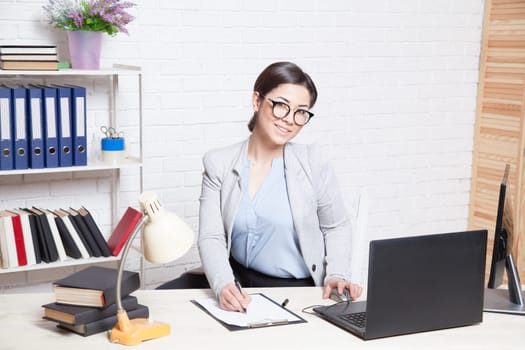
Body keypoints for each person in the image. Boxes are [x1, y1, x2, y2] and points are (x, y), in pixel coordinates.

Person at [197, 61, 362, 312]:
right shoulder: (218, 163)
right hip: (238, 282)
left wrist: (337, 273)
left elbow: (336, 225)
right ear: (257, 101)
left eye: (300, 112)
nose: (290, 120)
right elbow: (211, 236)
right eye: (281, 106)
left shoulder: (313, 163)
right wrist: (223, 284)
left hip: (296, 290)